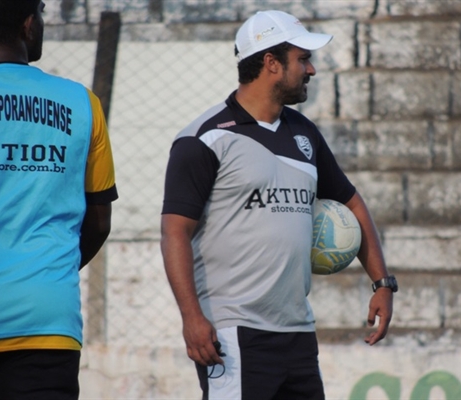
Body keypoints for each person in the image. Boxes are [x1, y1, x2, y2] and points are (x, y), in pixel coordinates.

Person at [160, 9, 396, 400]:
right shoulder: (203, 139)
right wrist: (191, 318)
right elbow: (174, 232)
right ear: (271, 63)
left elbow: (352, 203)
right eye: (303, 59)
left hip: (298, 332)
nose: (312, 70)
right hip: (234, 334)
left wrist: (383, 283)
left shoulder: (305, 133)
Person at [0, 0, 118, 398]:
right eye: (41, 12)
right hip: (45, 314)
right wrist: (49, 271)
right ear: (28, 24)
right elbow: (99, 222)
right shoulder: (81, 103)